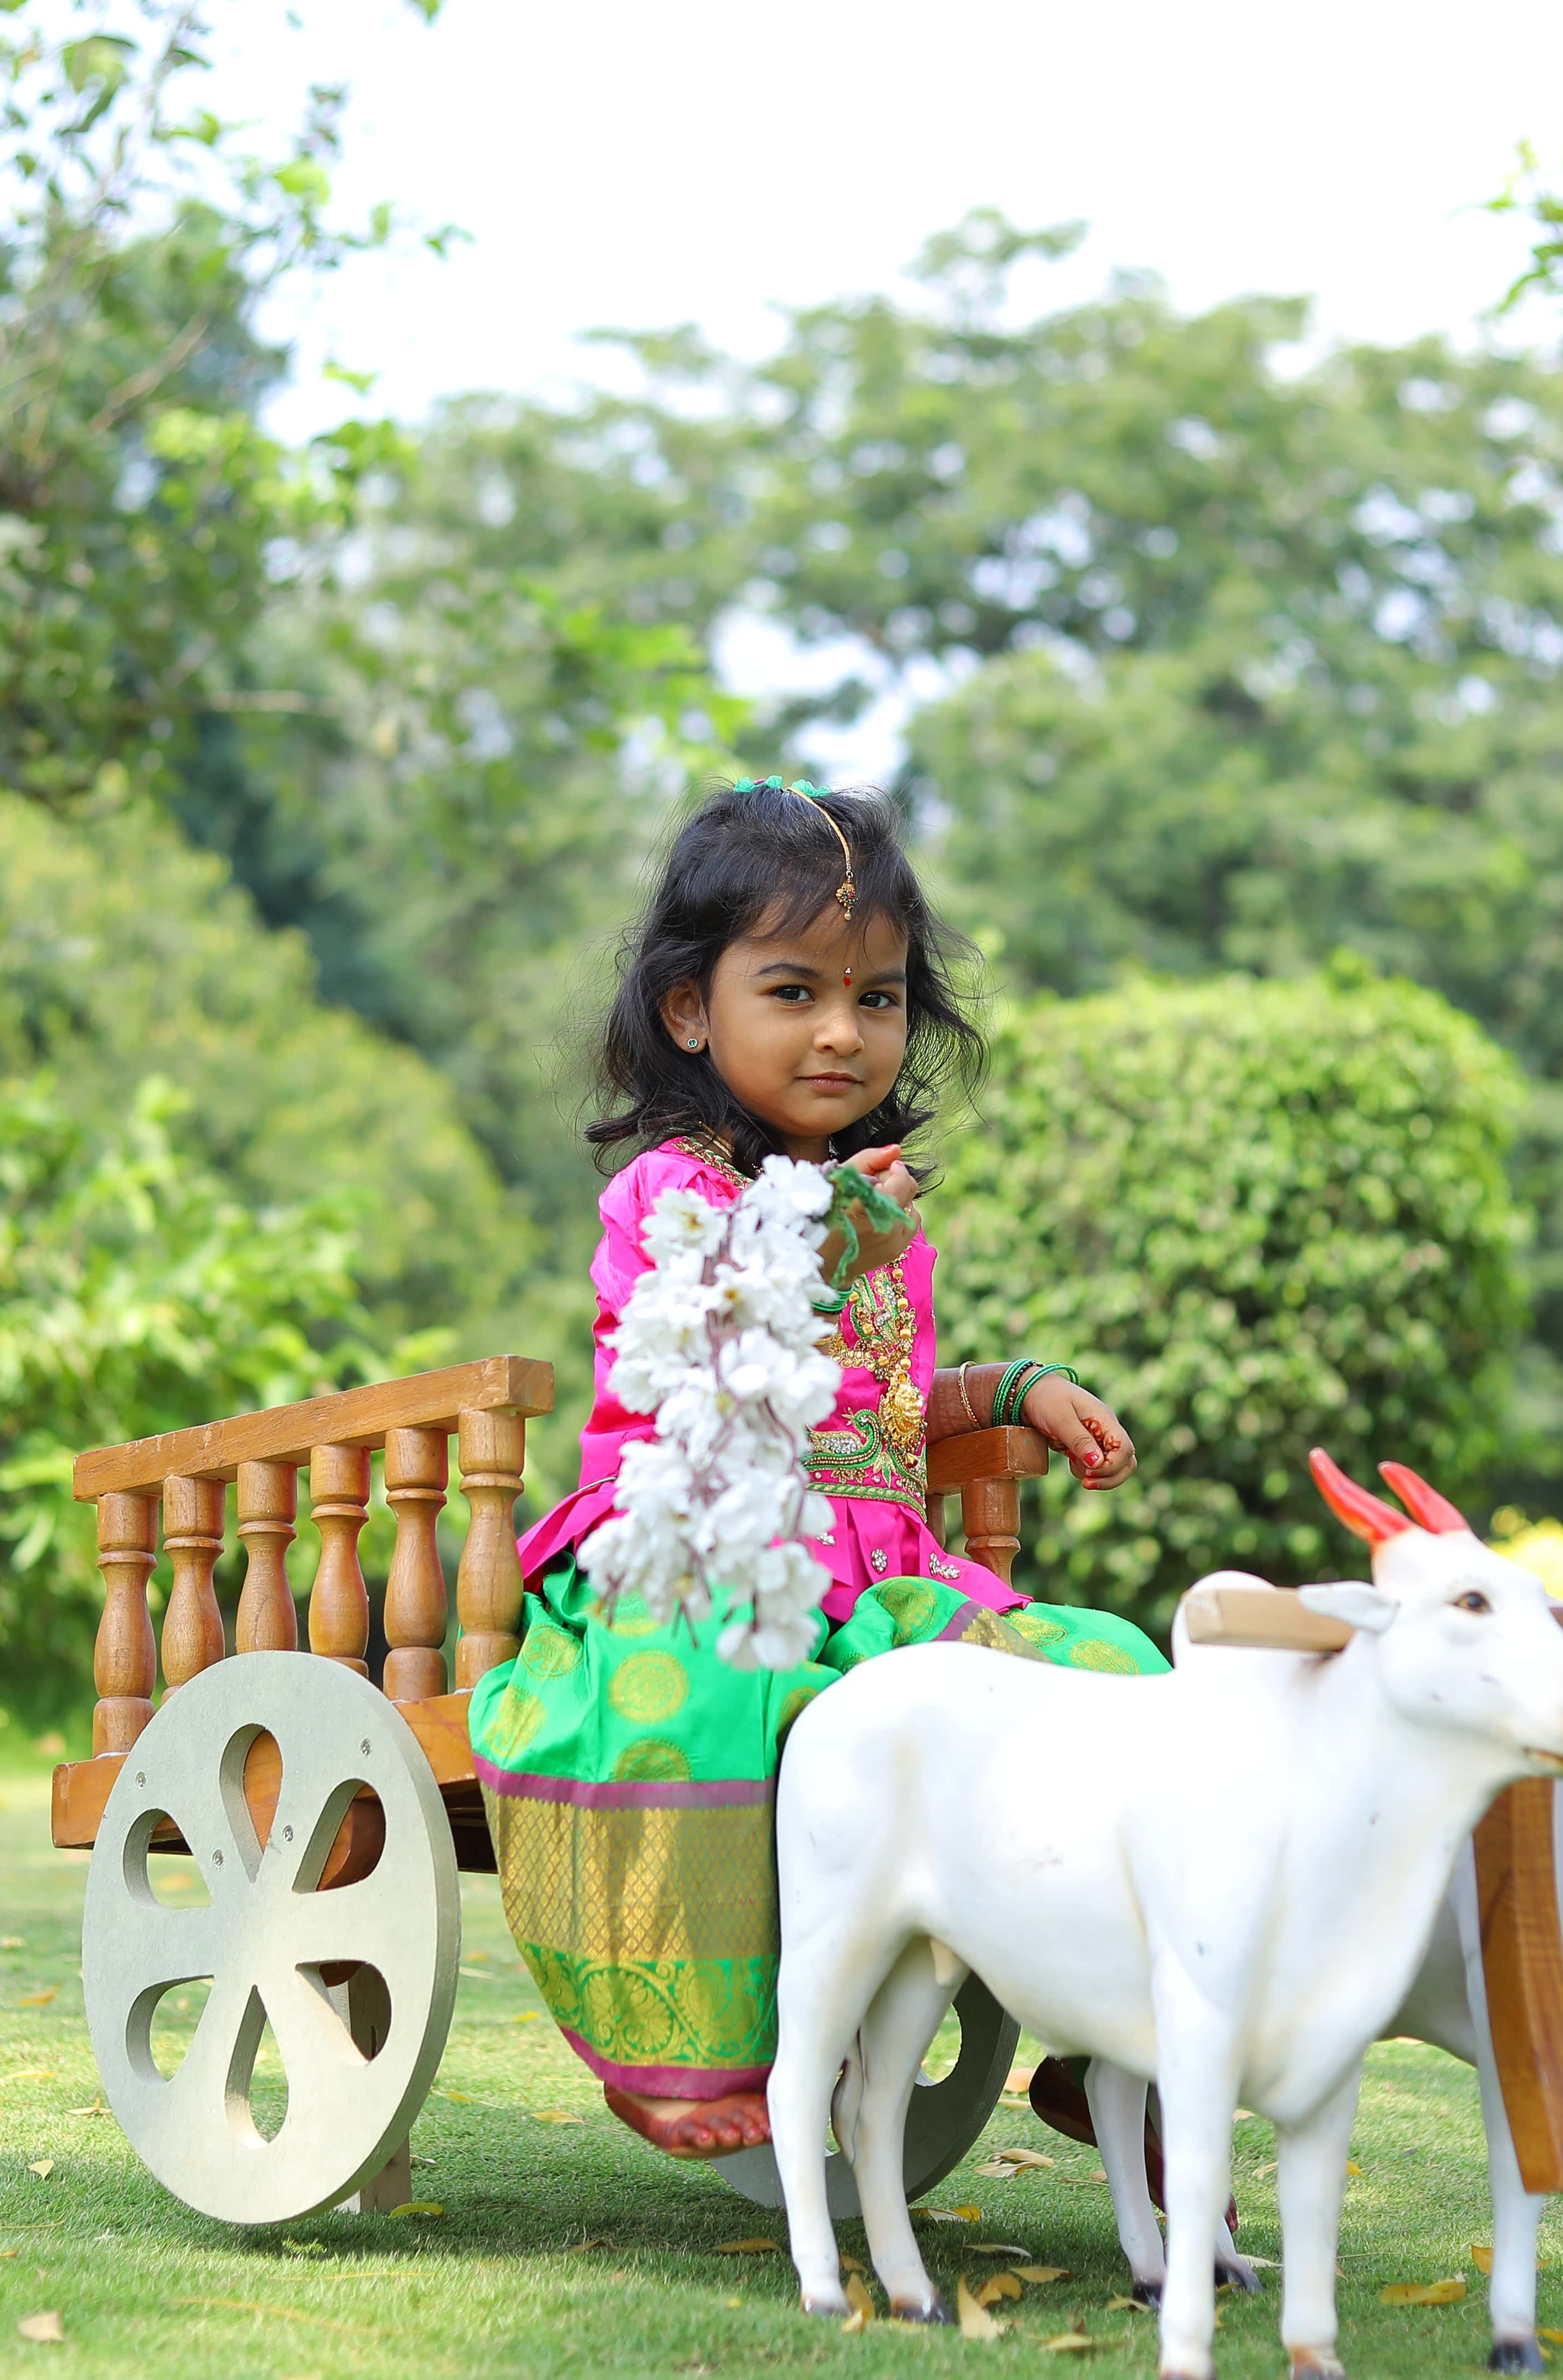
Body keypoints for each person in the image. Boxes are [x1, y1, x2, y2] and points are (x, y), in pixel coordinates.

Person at [468, 778, 1166, 2161]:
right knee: (702, 1684)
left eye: (878, 996)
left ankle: (1125, 2043)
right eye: (794, 990)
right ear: (690, 1009)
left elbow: (879, 1407)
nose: (844, 1030)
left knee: (1118, 1672)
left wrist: (1007, 1389)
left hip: (884, 1584)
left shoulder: (882, 1205)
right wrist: (838, 1233)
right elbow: (726, 1349)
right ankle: (686, 2049)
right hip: (707, 1557)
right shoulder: (673, 1190)